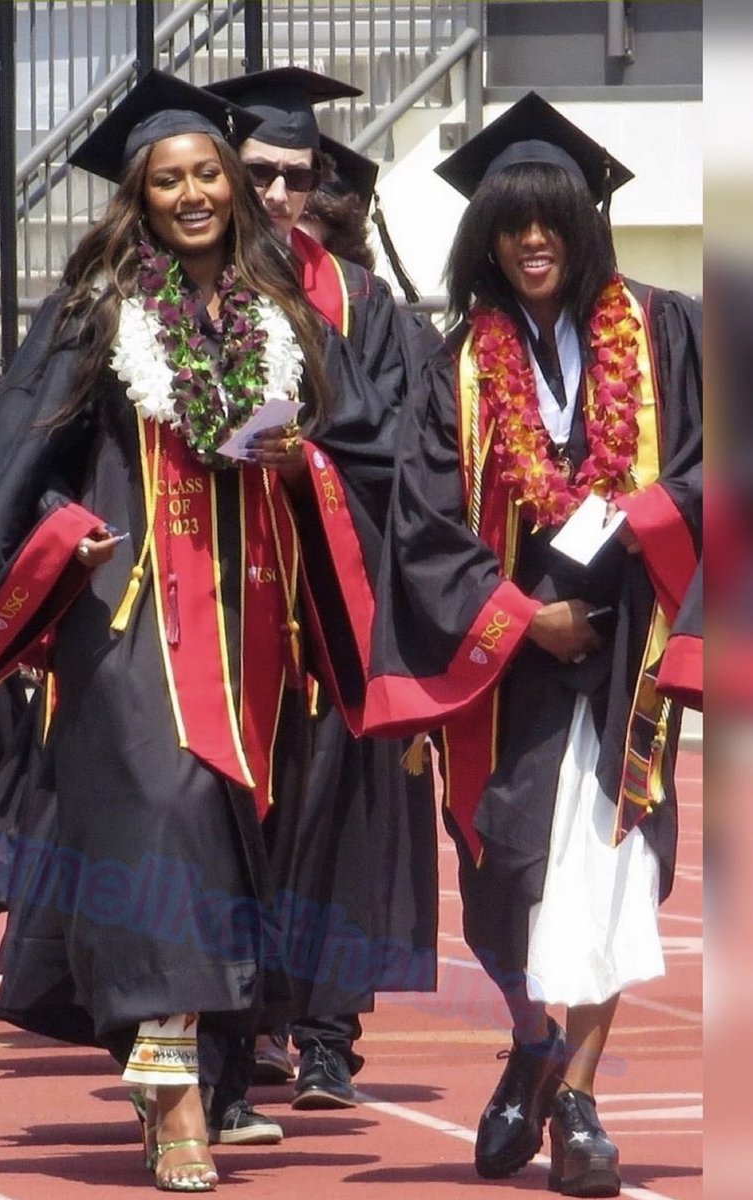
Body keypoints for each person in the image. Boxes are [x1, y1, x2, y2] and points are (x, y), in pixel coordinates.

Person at [0, 70, 392, 1193]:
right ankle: (173, 1101)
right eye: (168, 180)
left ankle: (197, 1070)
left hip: (253, 631)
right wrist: (56, 538)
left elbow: (365, 452)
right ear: (140, 197)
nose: (192, 195)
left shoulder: (278, 313)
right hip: (128, 620)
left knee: (227, 853)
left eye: (206, 177)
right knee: (162, 834)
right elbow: (5, 469)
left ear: (234, 189)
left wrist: (306, 462)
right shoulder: (96, 313)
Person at [337, 92, 701, 1196]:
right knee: (507, 881)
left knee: (612, 871)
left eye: (551, 219)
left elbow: (704, 463)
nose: (533, 239)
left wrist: (647, 519)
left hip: (628, 641)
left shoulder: (667, 329)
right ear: (486, 235)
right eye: (512, 221)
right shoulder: (457, 366)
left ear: (585, 224)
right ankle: (532, 1041)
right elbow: (425, 522)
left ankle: (581, 1104)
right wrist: (517, 616)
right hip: (507, 664)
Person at [207, 66, 441, 1117]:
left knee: (338, 813)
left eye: (298, 176)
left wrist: (311, 452)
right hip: (219, 597)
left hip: (336, 595)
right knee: (235, 814)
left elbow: (408, 434)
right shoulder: (180, 291)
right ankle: (237, 1015)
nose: (280, 195)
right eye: (259, 171)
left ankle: (329, 1034)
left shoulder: (367, 302)